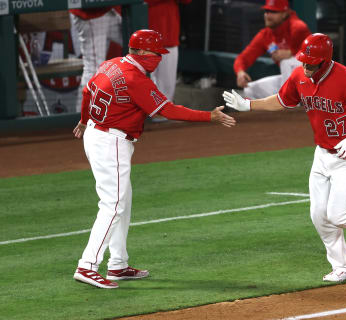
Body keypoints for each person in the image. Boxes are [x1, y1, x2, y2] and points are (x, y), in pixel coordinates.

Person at [72, 29, 235, 289]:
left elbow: (87, 93)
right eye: (157, 53)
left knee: (121, 202)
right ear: (144, 52)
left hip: (97, 133)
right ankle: (87, 265)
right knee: (113, 205)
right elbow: (167, 111)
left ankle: (117, 264)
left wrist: (82, 120)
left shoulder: (111, 64)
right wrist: (209, 116)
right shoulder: (135, 79)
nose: (159, 58)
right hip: (110, 141)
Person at [223, 33, 346, 282]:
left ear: (325, 61)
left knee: (339, 216)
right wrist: (248, 105)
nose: (305, 66)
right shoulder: (299, 76)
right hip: (322, 155)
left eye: (311, 63)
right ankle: (345, 267)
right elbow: (281, 101)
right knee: (319, 216)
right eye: (303, 61)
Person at [234, 0, 311, 99]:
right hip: (289, 79)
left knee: (286, 62)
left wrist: (292, 52)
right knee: (250, 90)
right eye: (266, 11)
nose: (268, 15)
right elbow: (243, 58)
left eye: (273, 12)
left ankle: (293, 105)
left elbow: (313, 57)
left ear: (285, 13)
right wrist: (240, 72)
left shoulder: (296, 26)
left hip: (312, 79)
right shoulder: (265, 35)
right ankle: (288, 103)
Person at [69, 6, 123, 112]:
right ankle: (83, 115)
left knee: (141, 49)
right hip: (90, 14)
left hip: (112, 10)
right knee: (93, 69)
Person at [144, 0, 192, 101]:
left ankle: (161, 115)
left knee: (166, 88)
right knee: (143, 85)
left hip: (169, 35)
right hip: (145, 37)